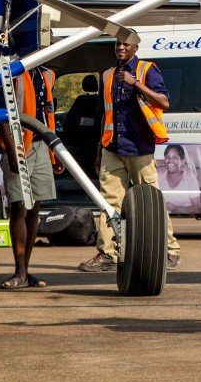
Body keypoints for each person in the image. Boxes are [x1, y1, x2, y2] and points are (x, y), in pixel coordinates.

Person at [77, 38, 180, 272]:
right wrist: (99, 152)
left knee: (153, 200)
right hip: (112, 148)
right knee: (108, 201)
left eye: (126, 44)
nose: (121, 47)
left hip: (140, 148)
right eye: (118, 44)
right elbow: (104, 115)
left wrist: (136, 85)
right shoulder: (107, 75)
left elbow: (164, 102)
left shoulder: (146, 70)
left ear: (136, 47)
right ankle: (109, 254)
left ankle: (171, 251)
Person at [0, 64, 59, 289]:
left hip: (42, 145)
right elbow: (0, 112)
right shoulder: (9, 71)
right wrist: (12, 150)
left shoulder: (46, 73)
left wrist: (54, 152)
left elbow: (48, 110)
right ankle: (19, 271)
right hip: (19, 145)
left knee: (35, 210)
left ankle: (26, 270)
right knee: (19, 207)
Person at [60, 74, 104, 175]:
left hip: (79, 143)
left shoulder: (80, 100)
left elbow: (67, 124)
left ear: (83, 86)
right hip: (96, 141)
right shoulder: (100, 102)